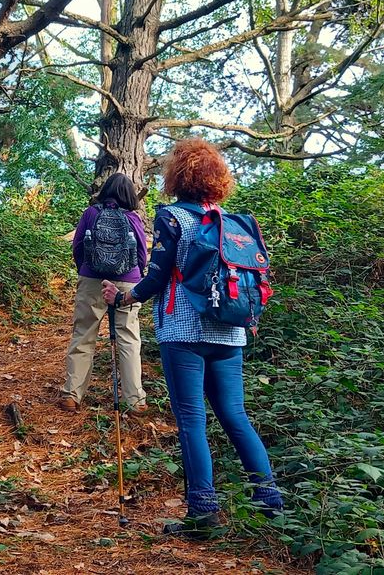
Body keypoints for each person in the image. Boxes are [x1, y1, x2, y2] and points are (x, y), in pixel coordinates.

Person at [101, 139, 283, 536]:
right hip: (231, 331)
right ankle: (270, 501)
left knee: (192, 421)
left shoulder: (173, 218)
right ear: (218, 179)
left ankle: (203, 514)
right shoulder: (232, 222)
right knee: (235, 415)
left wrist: (125, 297)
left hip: (184, 331)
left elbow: (157, 275)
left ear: (177, 177)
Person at [59, 172, 148, 417]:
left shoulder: (91, 214)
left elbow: (77, 247)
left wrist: (86, 271)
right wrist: (135, 275)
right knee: (128, 338)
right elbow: (141, 253)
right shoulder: (133, 218)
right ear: (130, 194)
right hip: (127, 282)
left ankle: (71, 395)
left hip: (92, 280)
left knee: (83, 335)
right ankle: (135, 400)